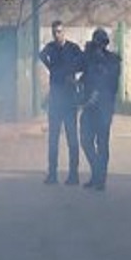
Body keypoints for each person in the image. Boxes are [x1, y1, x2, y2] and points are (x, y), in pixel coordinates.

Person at [39, 21, 83, 185]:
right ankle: (52, 174)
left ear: (64, 32)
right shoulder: (51, 48)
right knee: (53, 139)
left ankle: (74, 175)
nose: (57, 35)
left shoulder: (73, 48)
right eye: (54, 32)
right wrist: (51, 68)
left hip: (70, 99)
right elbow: (41, 55)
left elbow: (83, 62)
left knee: (72, 138)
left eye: (59, 32)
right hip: (56, 99)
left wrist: (74, 75)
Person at [79, 28, 121, 191]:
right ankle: (97, 172)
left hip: (104, 107)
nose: (99, 46)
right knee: (85, 140)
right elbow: (82, 72)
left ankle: (100, 178)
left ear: (106, 43)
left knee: (102, 143)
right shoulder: (89, 58)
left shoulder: (112, 60)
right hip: (90, 106)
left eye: (101, 42)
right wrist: (87, 53)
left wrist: (99, 62)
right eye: (96, 42)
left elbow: (111, 83)